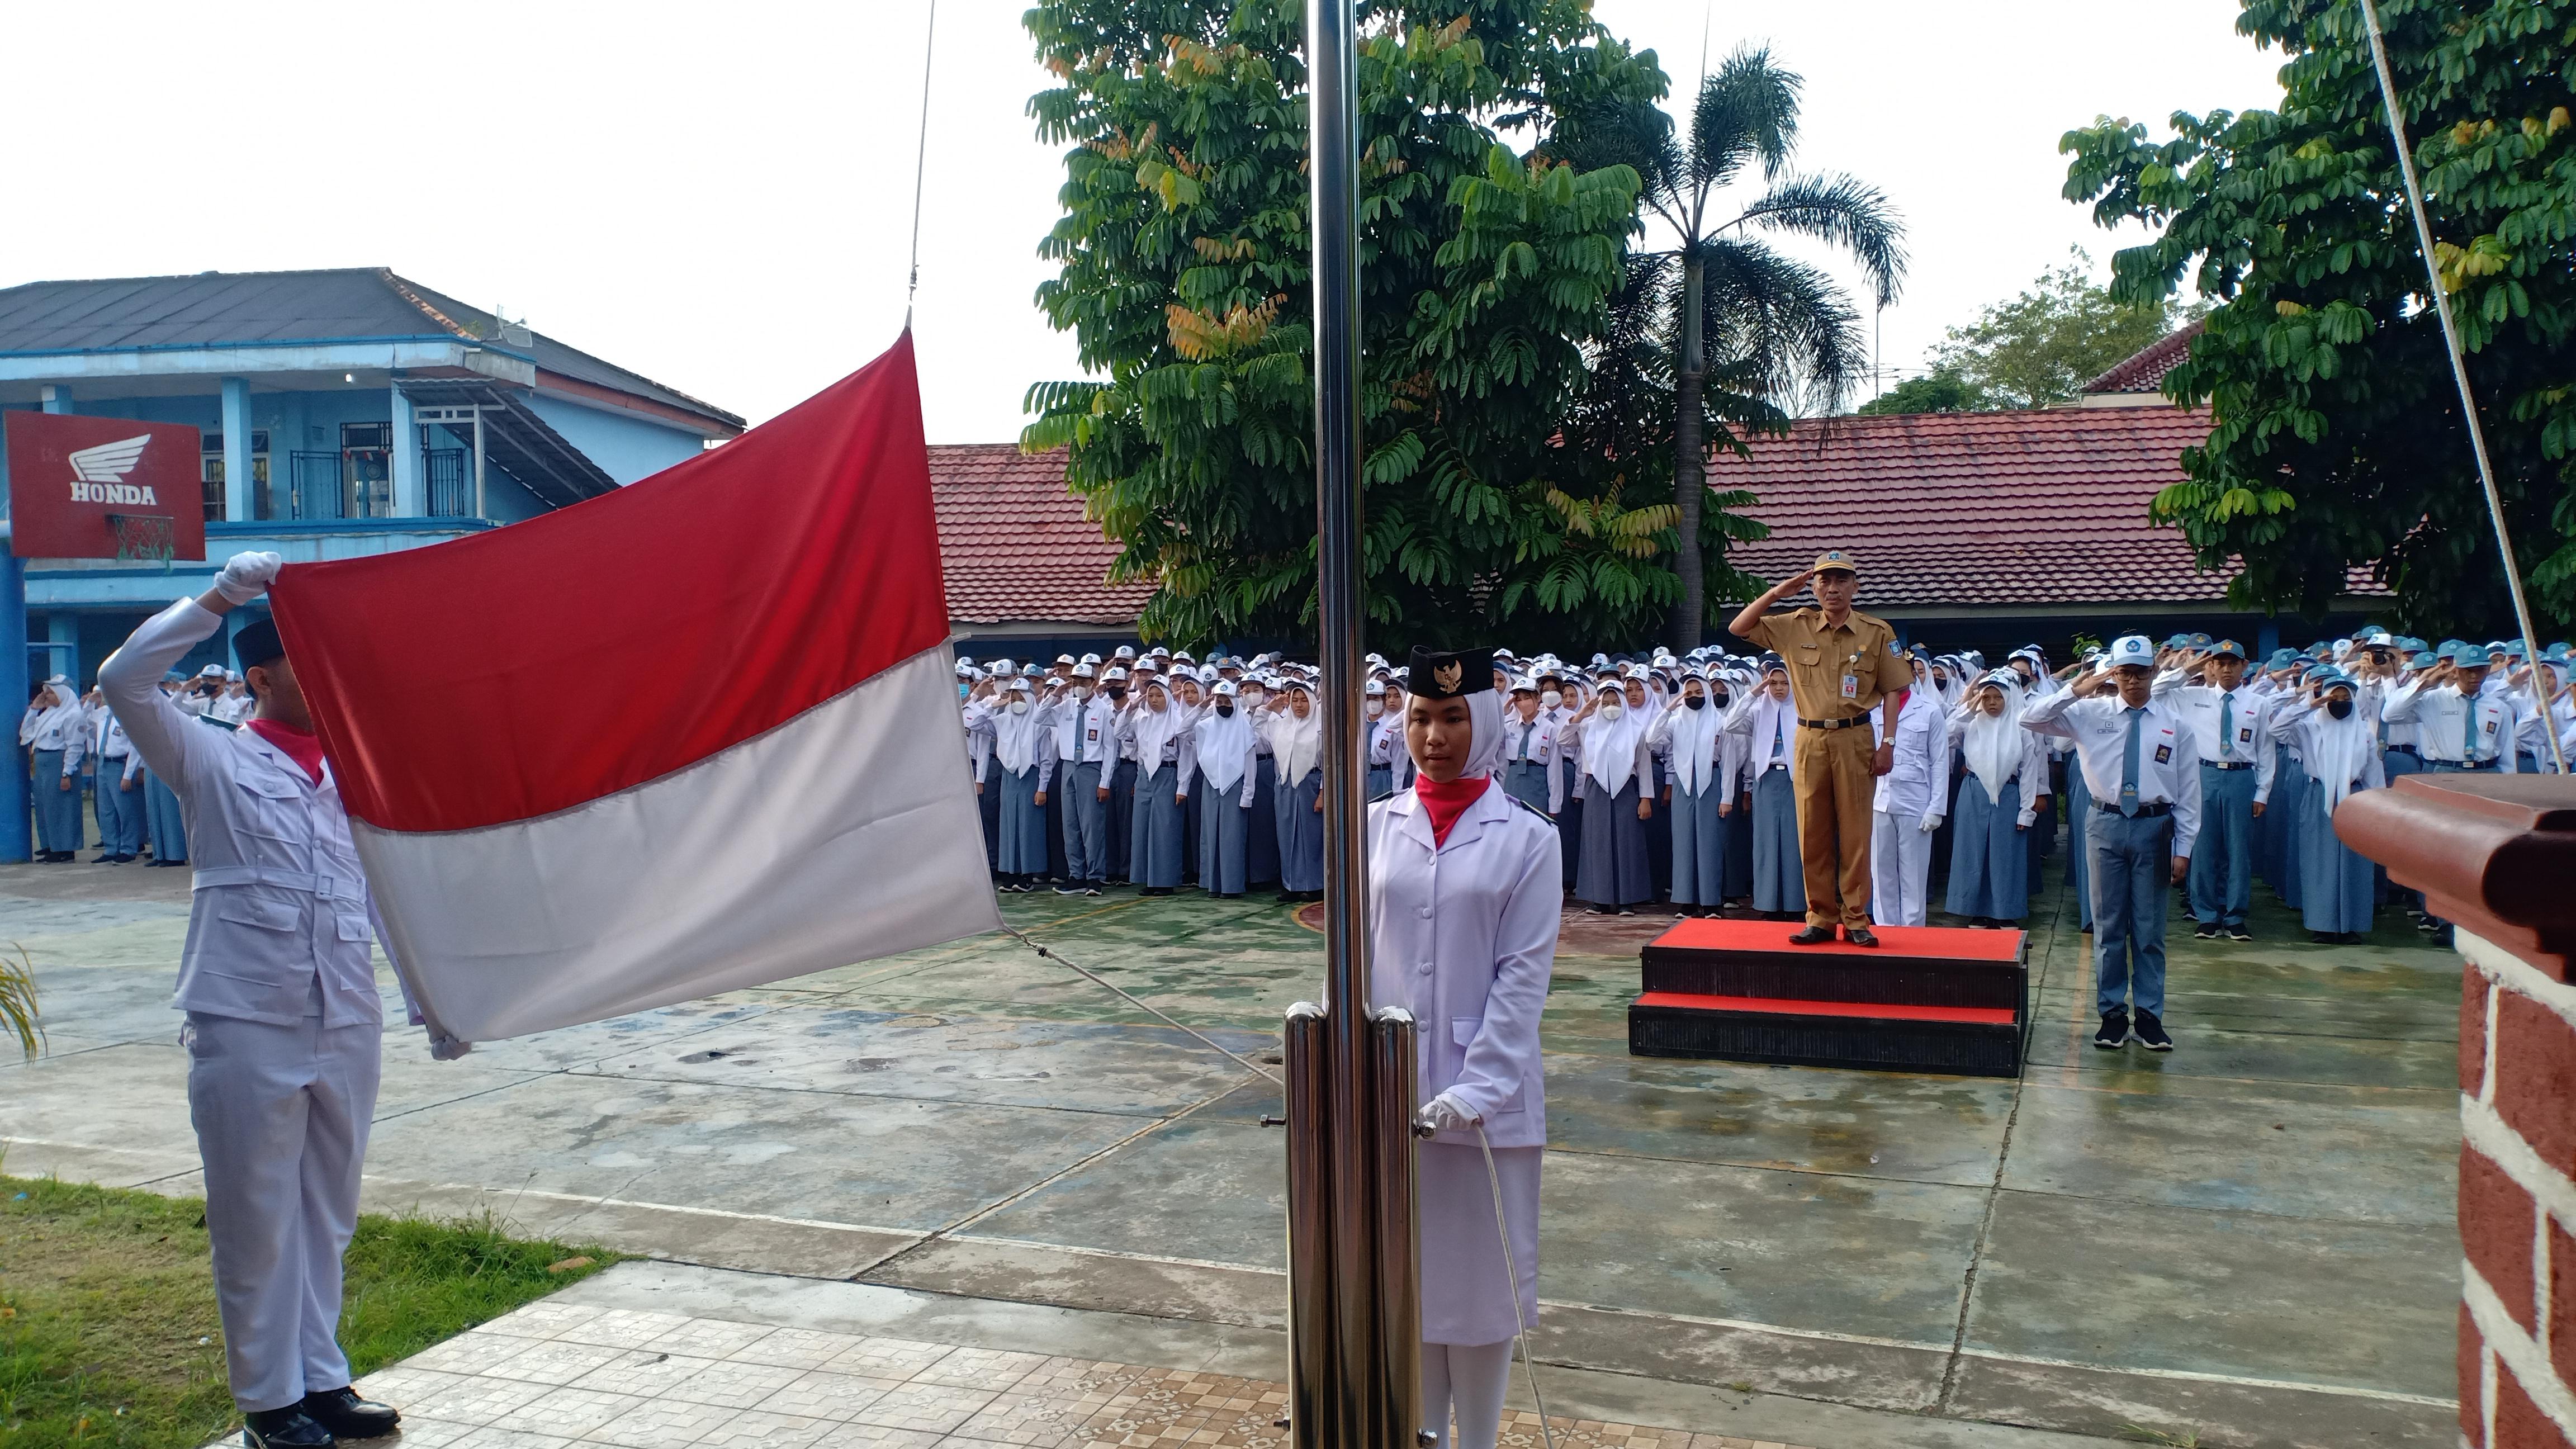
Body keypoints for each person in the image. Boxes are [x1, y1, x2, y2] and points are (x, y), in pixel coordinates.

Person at [97, 553, 405, 1449]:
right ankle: (269, 1401)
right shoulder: (212, 760)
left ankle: (323, 1379)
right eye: (311, 662)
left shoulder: (351, 776)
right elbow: (123, 679)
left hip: (345, 1013)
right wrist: (221, 597)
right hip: (247, 1020)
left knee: (326, 1211)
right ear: (261, 676)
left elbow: (387, 899)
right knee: (255, 1215)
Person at [1366, 647, 1559, 1449]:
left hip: (1488, 1108)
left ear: (1480, 723)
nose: (1433, 735)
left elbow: (1523, 984)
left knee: (1481, 1297)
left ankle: (1476, 1440)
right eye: (1419, 717)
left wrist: (1474, 1092)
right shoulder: (1374, 826)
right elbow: (1354, 961)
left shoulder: (1528, 839)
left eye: (1451, 718)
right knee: (1407, 1286)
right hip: (1389, 1092)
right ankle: (1422, 1434)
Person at [2021, 634, 2200, 1053]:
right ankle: (2113, 1015)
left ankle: (2151, 1018)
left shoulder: (2175, 726)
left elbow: (2190, 793)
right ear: (2113, 674)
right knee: (2108, 926)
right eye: (2125, 672)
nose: (2133, 680)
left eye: (2141, 672)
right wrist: (2073, 690)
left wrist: (2184, 848)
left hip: (2156, 827)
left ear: (2154, 672)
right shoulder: (2088, 713)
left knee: (2150, 929)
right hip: (2105, 822)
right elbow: (2029, 719)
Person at [1726, 551, 1908, 947]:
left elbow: (1894, 690)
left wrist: (1889, 743)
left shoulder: (1876, 632)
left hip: (1856, 737)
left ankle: (1856, 918)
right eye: (1824, 581)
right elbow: (1739, 627)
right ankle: (1821, 917)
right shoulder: (1796, 625)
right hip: (1809, 738)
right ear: (1814, 586)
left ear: (1855, 587)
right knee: (1813, 832)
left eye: (1842, 580)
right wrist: (1778, 592)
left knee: (1856, 833)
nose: (1833, 588)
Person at [2158, 641, 2272, 941]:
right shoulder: (2194, 697)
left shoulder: (2258, 703)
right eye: (2219, 662)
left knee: (2238, 851)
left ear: (2244, 666)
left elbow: (2266, 751)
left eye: (2232, 663)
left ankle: (2235, 916)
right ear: (2210, 666)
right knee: (2203, 848)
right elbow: (2157, 691)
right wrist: (2186, 671)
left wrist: (2263, 792)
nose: (2225, 668)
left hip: (2241, 776)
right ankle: (2206, 915)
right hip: (2203, 774)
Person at [2268, 670, 2384, 943]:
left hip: (2356, 799)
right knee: (2320, 861)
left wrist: (2378, 808)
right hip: (2319, 795)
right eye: (2335, 696)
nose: (2340, 702)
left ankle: (2351, 925)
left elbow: (2375, 775)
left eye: (2346, 697)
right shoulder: (2310, 728)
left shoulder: (2364, 734)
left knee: (2354, 863)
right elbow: (2276, 729)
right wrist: (2309, 705)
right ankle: (2323, 924)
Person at [1944, 670, 2048, 928]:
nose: (1991, 703)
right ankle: (1976, 911)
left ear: (2008, 699)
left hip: (2009, 794)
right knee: (1973, 851)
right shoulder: (1972, 723)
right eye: (1986, 697)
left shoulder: (2020, 727)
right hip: (1974, 792)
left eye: (1997, 698)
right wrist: (1969, 709)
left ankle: (2004, 912)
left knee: (2006, 854)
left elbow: (2028, 772)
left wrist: (2027, 811)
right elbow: (1944, 736)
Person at [1722, 656, 1806, 920]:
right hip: (1766, 779)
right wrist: (1752, 694)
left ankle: (1795, 904)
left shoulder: (1804, 710)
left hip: (1795, 779)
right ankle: (1769, 904)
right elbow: (1731, 724)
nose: (1779, 688)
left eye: (1784, 683)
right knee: (1766, 844)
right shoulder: (1758, 710)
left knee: (1795, 843)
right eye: (1774, 683)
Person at [1648, 670, 1736, 916]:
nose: (1694, 697)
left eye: (1699, 692)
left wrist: (1727, 797)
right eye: (1689, 693)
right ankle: (1686, 901)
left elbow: (1729, 762)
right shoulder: (1676, 721)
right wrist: (1669, 708)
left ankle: (1711, 902)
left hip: (1712, 781)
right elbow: (1651, 741)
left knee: (1710, 843)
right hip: (1683, 784)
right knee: (1684, 842)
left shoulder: (1720, 721)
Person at [1567, 670, 1653, 915]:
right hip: (1596, 788)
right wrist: (1583, 712)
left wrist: (1645, 798)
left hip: (1626, 788)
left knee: (1627, 842)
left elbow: (1643, 766)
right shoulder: (1587, 728)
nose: (1611, 707)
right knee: (1597, 842)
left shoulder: (1635, 729)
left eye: (1616, 702)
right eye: (1606, 703)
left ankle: (1627, 899)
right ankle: (1599, 898)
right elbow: (1563, 739)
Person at [1868, 662, 1946, 928]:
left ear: (1913, 676)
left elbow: (1939, 762)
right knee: (1881, 874)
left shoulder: (1929, 711)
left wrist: (1937, 807)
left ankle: (1913, 936)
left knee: (1913, 877)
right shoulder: (1871, 709)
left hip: (1915, 802)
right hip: (1878, 800)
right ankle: (1886, 931)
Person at [1040, 664, 1118, 896]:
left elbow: (1110, 749)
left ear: (1094, 683)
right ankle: (1077, 875)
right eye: (1075, 682)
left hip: (1091, 768)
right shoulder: (1066, 706)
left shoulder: (1104, 710)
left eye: (1084, 682)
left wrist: (1104, 782)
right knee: (1070, 825)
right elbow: (1038, 718)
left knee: (1091, 826)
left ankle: (1095, 876)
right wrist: (1055, 694)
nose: (1079, 686)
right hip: (1068, 767)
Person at [1120, 675, 1196, 895]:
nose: (1154, 700)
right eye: (1151, 696)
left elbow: (1186, 756)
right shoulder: (1141, 720)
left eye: (1159, 696)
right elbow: (1119, 734)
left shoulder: (1177, 722)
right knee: (1143, 828)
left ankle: (1165, 882)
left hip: (1167, 773)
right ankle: (1148, 879)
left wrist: (1182, 787)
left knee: (1165, 829)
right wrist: (1131, 709)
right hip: (1145, 776)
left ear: (1168, 698)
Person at [1191, 679, 1258, 897]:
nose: (1222, 705)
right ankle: (1213, 884)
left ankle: (1231, 887)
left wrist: (1247, 795)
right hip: (1211, 785)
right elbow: (1181, 731)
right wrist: (1202, 706)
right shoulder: (1206, 726)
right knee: (1210, 837)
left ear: (1235, 702)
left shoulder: (1244, 729)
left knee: (1232, 838)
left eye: (1226, 701)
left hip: (1235, 787)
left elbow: (1250, 765)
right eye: (1218, 701)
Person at [988, 678, 1054, 891]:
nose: (1016, 701)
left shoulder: (1038, 725)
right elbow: (976, 723)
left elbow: (1046, 760)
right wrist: (994, 704)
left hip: (1031, 777)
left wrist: (1042, 788)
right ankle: (1011, 873)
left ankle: (1028, 875)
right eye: (1013, 698)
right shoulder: (1004, 721)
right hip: (1010, 776)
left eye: (1020, 698)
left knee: (1029, 827)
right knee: (1008, 826)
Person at [1268, 679, 1325, 902]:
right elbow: (1258, 726)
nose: (1299, 705)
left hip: (1310, 783)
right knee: (1286, 835)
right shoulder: (1283, 726)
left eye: (1304, 700)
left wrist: (1323, 793)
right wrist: (1272, 707)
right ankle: (1290, 884)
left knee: (1310, 837)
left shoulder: (1320, 729)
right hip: (1285, 784)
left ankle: (1314, 885)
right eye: (1295, 701)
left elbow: (1327, 764)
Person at [21, 675, 88, 861]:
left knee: (62, 807)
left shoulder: (73, 714)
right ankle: (50, 844)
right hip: (43, 762)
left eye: (50, 693)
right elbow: (26, 735)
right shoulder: (48, 714)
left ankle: (65, 849)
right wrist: (34, 709)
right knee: (44, 805)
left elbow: (75, 746)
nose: (47, 696)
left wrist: (67, 772)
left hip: (60, 762)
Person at [90, 686, 145, 863]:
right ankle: (111, 848)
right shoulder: (103, 713)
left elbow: (135, 748)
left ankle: (129, 848)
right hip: (102, 763)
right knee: (106, 809)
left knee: (125, 809)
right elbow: (83, 720)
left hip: (119, 764)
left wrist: (128, 775)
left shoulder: (128, 715)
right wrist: (91, 702)